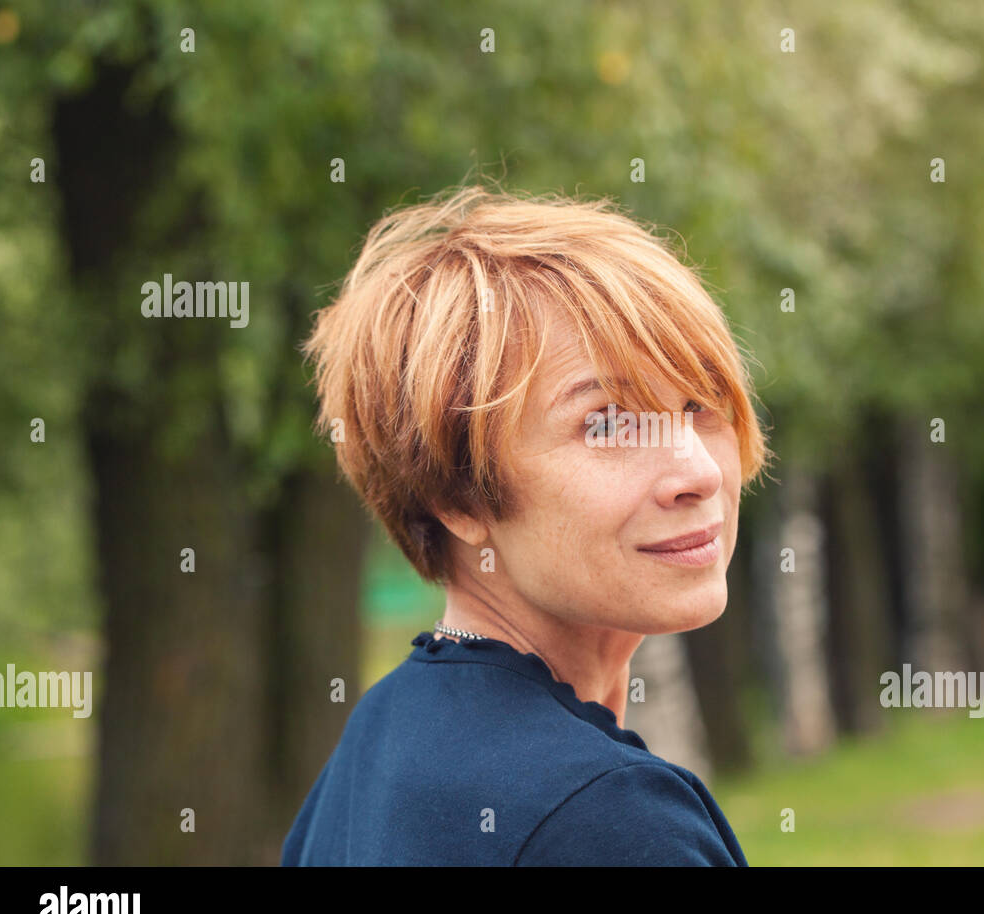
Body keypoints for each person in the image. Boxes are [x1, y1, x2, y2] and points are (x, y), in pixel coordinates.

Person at [281, 183, 769, 866]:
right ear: (458, 497)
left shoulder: (380, 742)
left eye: (700, 402)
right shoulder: (606, 818)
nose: (700, 471)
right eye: (608, 423)